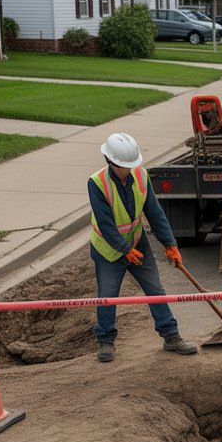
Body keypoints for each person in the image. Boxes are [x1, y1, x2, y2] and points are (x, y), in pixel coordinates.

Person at [88, 132, 198, 363]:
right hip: (108, 249)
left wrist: (170, 244)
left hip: (137, 241)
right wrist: (124, 249)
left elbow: (154, 212)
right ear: (111, 161)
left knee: (155, 288)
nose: (129, 169)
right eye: (124, 166)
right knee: (107, 295)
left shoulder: (141, 175)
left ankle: (171, 336)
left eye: (131, 164)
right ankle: (106, 341)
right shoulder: (97, 183)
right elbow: (105, 224)